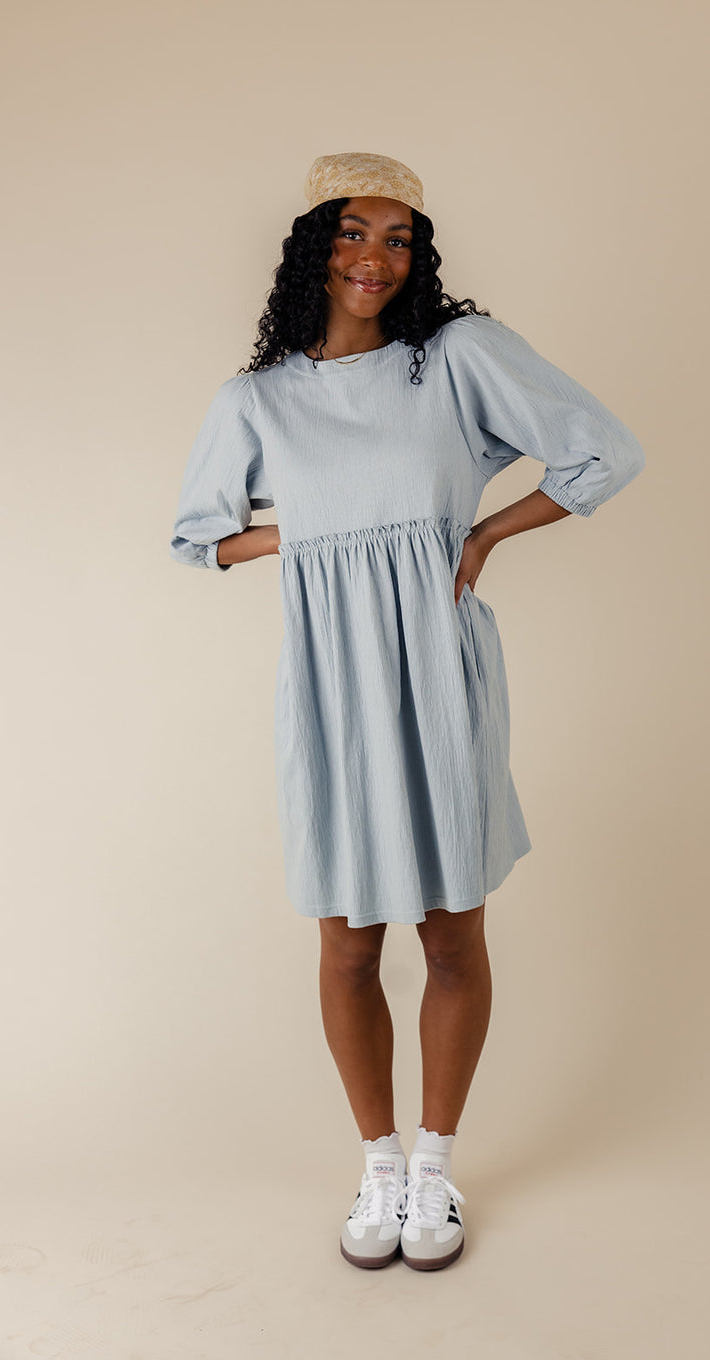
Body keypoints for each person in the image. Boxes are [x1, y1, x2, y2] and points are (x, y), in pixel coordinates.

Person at [169, 151, 646, 1271]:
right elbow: (197, 537)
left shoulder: (456, 358)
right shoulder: (257, 400)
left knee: (450, 929)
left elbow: (605, 450)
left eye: (398, 238)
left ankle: (435, 1164)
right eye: (352, 232)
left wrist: (483, 534)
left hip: (438, 666)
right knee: (346, 943)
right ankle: (376, 1165)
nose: (374, 256)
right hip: (333, 682)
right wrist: (310, 534)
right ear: (313, 247)